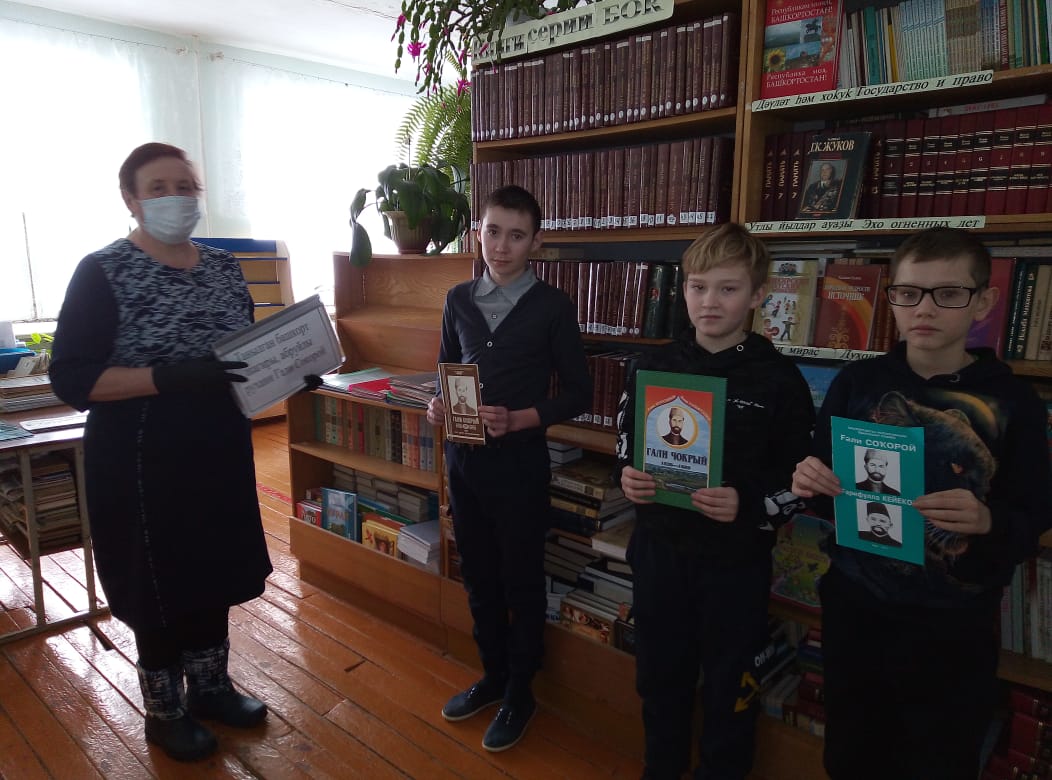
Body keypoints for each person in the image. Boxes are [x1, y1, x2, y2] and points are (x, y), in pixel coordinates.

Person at [792, 227, 1052, 779]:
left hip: (952, 626)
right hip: (856, 609)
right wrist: (811, 481)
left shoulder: (1014, 401)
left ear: (983, 300)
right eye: (909, 293)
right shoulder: (858, 382)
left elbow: (1035, 512)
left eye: (948, 293)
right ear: (892, 297)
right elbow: (826, 489)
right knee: (851, 754)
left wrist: (988, 519)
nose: (924, 308)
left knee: (939, 759)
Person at [49, 143, 274, 763]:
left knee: (212, 568)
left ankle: (211, 688)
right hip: (141, 454)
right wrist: (167, 377)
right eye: (158, 188)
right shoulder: (102, 271)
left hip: (219, 445)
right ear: (131, 199)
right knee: (158, 579)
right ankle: (164, 711)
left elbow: (243, 353)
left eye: (186, 186)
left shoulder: (225, 266)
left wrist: (289, 368)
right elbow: (71, 378)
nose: (176, 197)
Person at [617, 222, 815, 779]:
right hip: (659, 552)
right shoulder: (650, 366)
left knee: (732, 689)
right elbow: (626, 443)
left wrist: (748, 505)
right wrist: (627, 477)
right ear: (683, 289)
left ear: (757, 296)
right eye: (698, 286)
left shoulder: (779, 380)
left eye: (728, 289)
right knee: (659, 677)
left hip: (734, 565)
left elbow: (801, 480)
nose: (710, 302)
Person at [425, 184, 591, 752]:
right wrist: (437, 405)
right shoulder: (457, 299)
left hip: (520, 466)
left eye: (516, 236)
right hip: (465, 463)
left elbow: (578, 393)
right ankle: (493, 675)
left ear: (535, 243)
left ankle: (522, 690)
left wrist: (521, 419)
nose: (501, 245)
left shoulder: (553, 306)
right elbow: (446, 369)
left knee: (521, 578)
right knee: (477, 574)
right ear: (478, 233)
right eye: (493, 231)